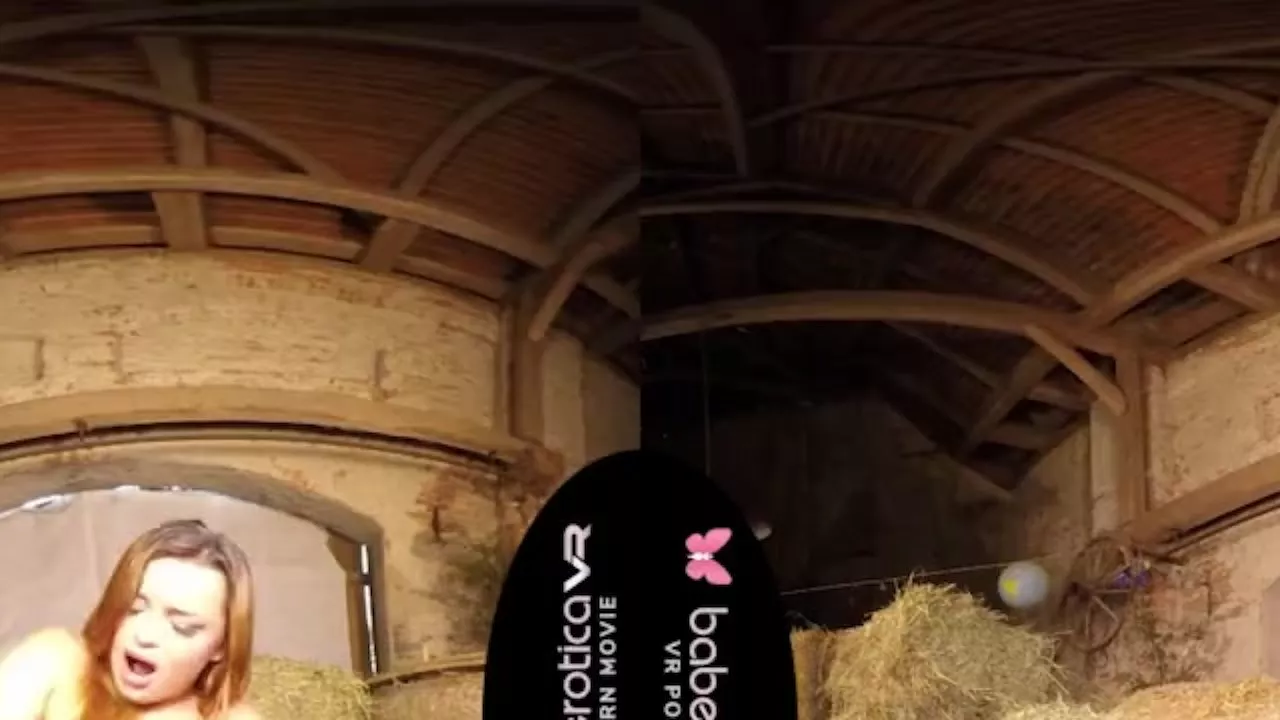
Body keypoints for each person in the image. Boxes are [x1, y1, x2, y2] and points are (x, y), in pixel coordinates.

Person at [0, 519, 261, 720]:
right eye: (134, 609)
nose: (145, 636)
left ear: (221, 647)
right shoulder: (56, 660)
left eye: (182, 627)